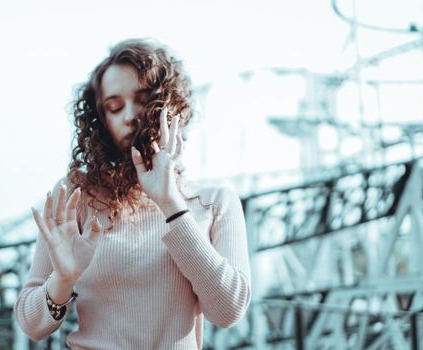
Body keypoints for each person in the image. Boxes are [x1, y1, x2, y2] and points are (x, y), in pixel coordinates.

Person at [14, 38, 251, 349]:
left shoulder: (215, 202)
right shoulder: (77, 197)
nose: (130, 116)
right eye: (114, 107)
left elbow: (228, 310)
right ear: (100, 120)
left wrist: (170, 203)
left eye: (143, 100)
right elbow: (31, 325)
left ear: (170, 105)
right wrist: (63, 279)